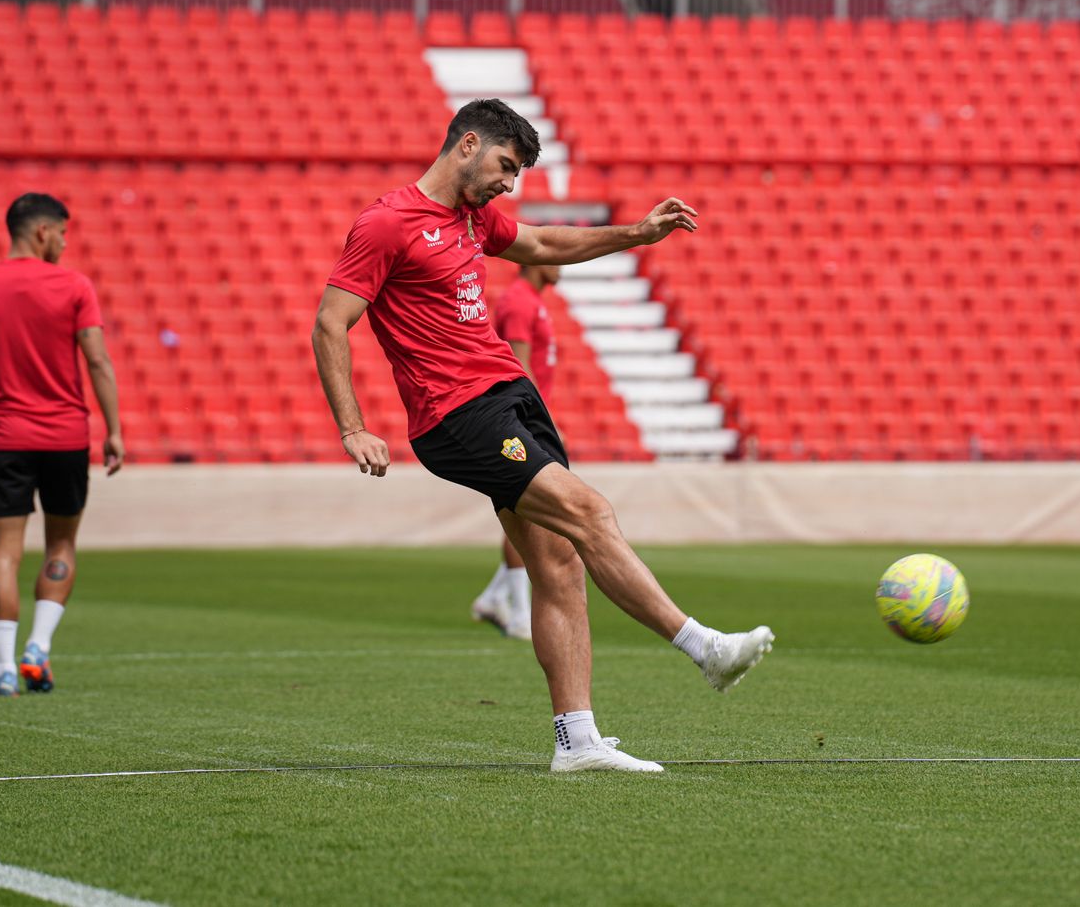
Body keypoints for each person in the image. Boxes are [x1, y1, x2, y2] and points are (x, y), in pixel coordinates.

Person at [313, 99, 773, 774]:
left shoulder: (473, 218)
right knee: (591, 512)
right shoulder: (388, 223)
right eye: (506, 165)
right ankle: (705, 648)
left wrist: (637, 234)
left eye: (519, 171)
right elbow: (331, 321)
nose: (510, 183)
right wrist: (353, 427)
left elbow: (544, 243)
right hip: (458, 414)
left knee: (557, 560)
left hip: (508, 398)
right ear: (467, 145)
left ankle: (577, 741)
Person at [0, 193, 124, 697]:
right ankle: (38, 650)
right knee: (62, 543)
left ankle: (3, 670)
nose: (66, 244)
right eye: (64, 234)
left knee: (2, 555)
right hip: (66, 435)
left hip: (6, 437)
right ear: (44, 231)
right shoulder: (73, 286)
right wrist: (113, 429)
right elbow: (97, 361)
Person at [469, 262, 563, 642]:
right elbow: (520, 368)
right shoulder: (519, 303)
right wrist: (542, 423)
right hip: (521, 418)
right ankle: (521, 613)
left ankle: (496, 597)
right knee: (527, 509)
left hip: (528, 417)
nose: (561, 265)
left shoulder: (531, 301)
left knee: (529, 509)